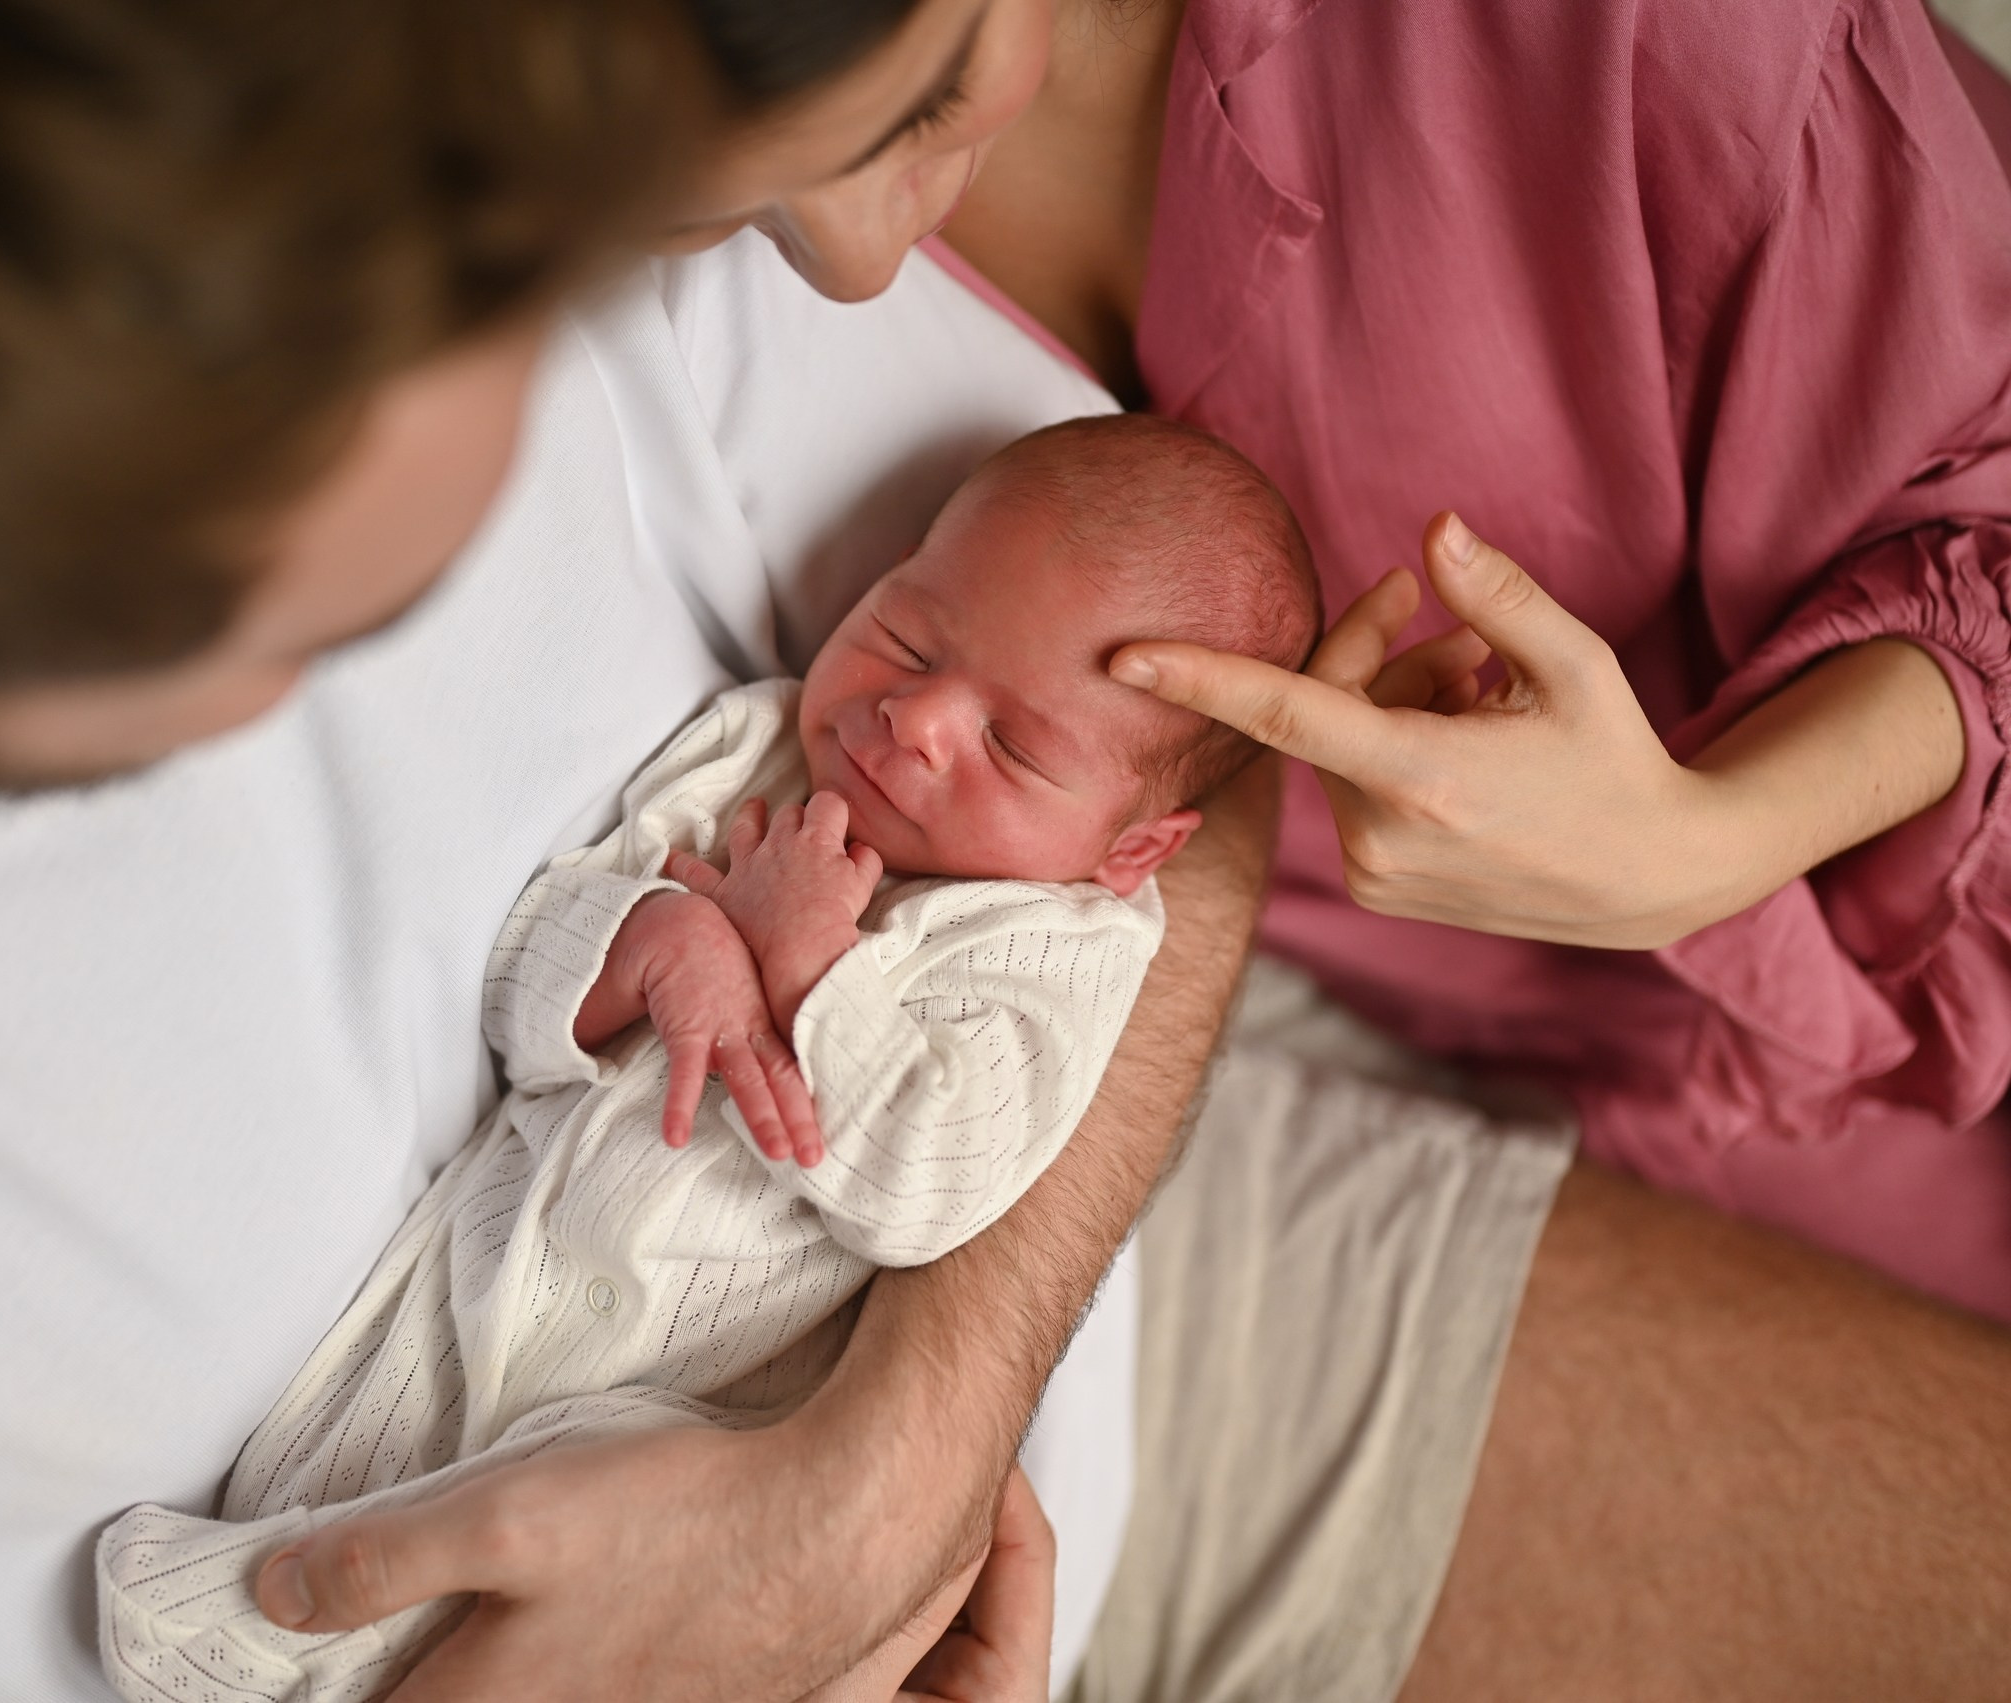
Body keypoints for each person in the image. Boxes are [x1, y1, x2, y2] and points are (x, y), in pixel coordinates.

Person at [239, 1, 2011, 1700]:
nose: (849, 257)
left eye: (915, 106)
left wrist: (1716, 834)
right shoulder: (634, 167)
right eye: (726, 196)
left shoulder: (1636, 44)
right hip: (1410, 1061)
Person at [91, 415, 1316, 1703]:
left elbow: (926, 1178)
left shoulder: (1059, 952)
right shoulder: (760, 755)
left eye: (1015, 746)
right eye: (911, 636)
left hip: (699, 1400)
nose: (915, 722)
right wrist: (652, 940)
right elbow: (521, 975)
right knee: (286, 1525)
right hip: (483, 1274)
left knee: (522, 1559)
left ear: (1135, 848)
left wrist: (806, 960)